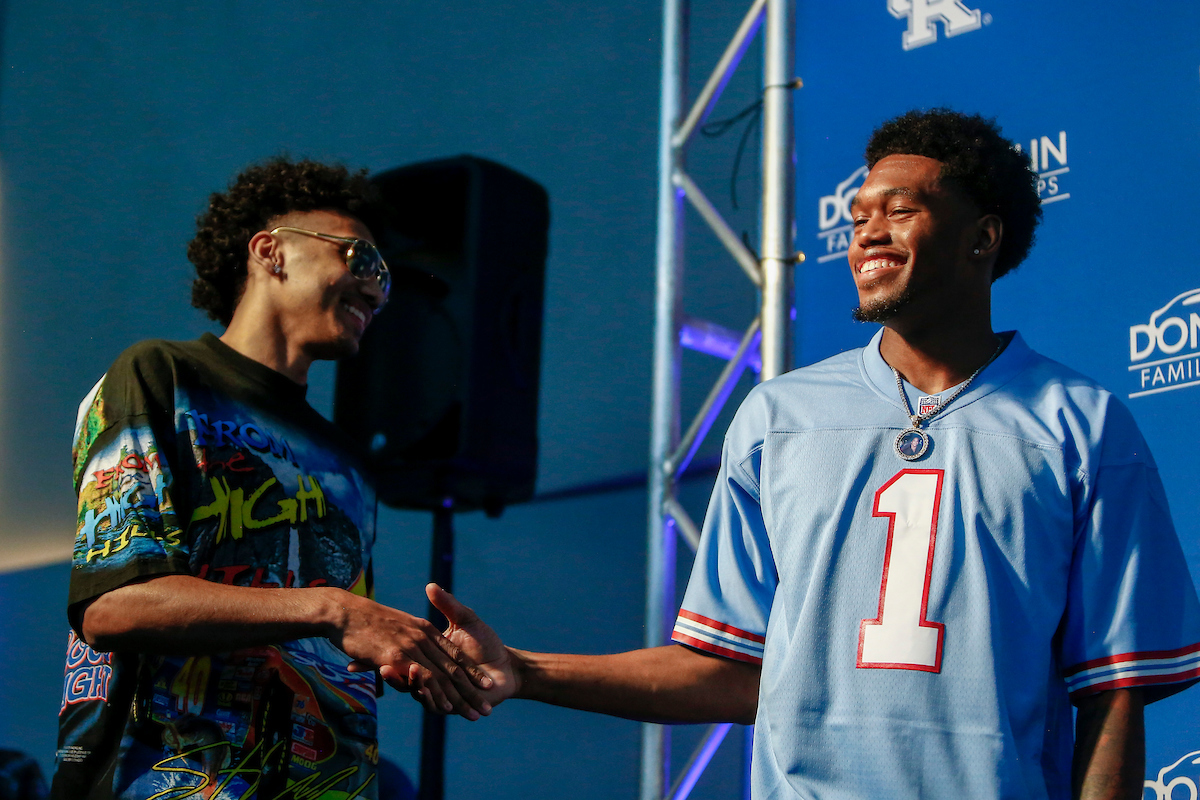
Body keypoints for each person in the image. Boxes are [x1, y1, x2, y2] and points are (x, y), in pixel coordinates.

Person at [419, 110, 1200, 800]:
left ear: (983, 237)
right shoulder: (776, 417)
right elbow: (727, 671)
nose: (866, 231)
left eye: (900, 211)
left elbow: (1115, 692)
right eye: (859, 215)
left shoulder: (1084, 428)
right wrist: (525, 671)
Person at [51, 158, 493, 800]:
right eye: (362, 260)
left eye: (387, 279)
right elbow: (113, 604)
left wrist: (412, 655)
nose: (378, 292)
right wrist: (334, 610)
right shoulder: (163, 377)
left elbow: (332, 644)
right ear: (271, 251)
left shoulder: (347, 461)